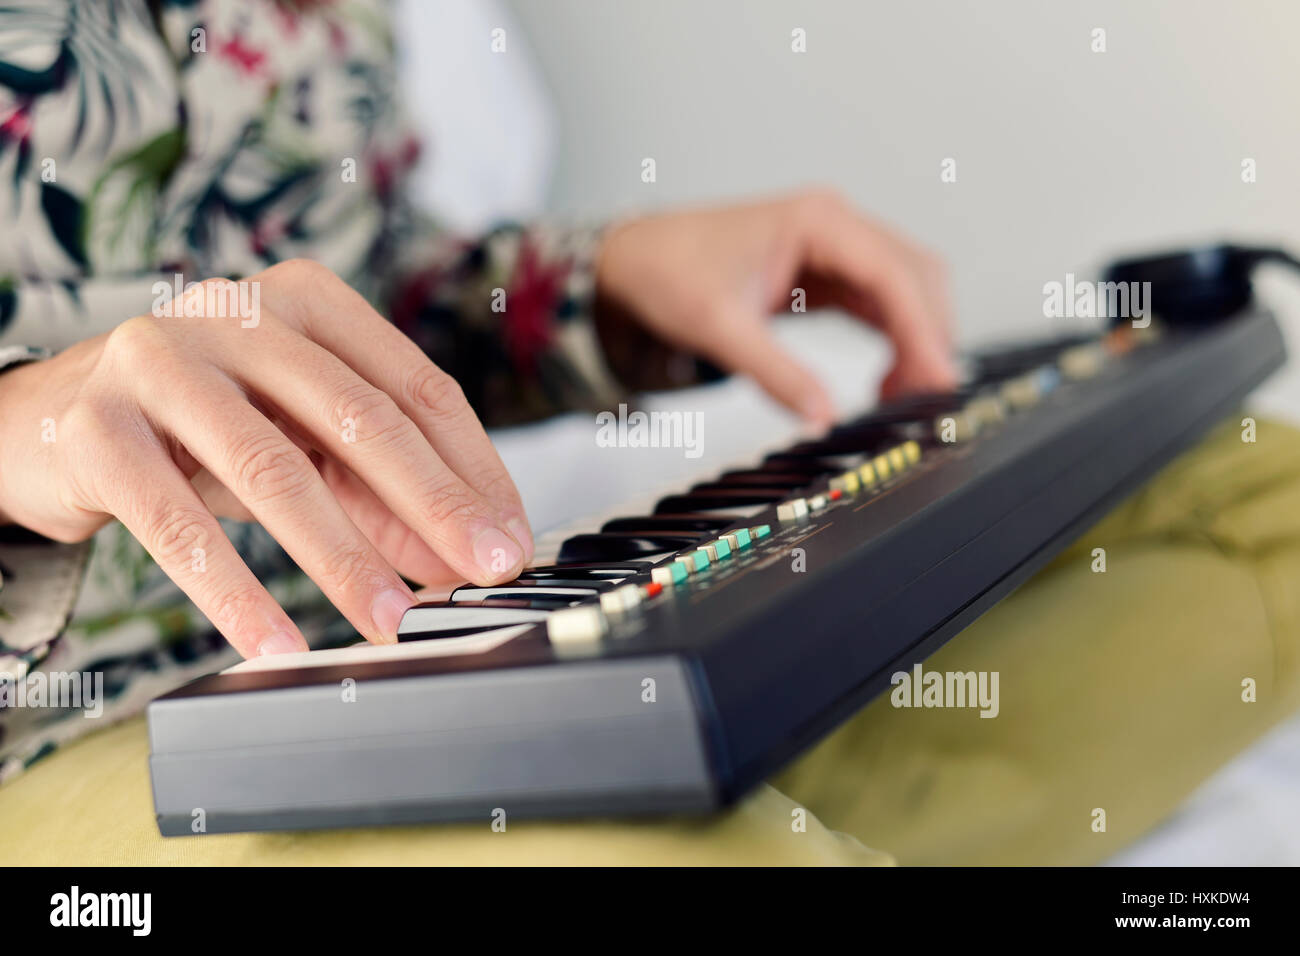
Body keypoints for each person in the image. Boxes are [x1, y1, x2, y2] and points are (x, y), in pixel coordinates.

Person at [1, 1, 1298, 866]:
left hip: (424, 644)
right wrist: (30, 430)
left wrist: (595, 292)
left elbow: (349, 284)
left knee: (1262, 495)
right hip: (72, 739)